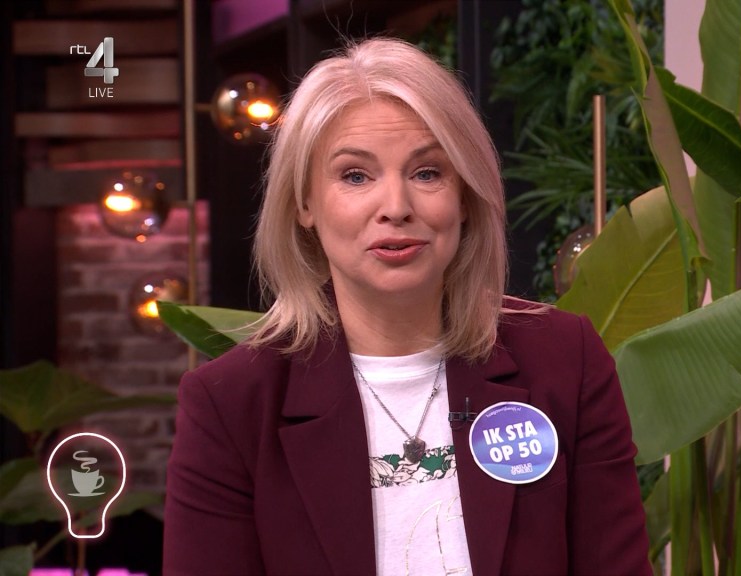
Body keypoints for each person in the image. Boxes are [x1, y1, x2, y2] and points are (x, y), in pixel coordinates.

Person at [163, 37, 651, 576]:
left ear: (464, 196)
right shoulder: (231, 404)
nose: (395, 207)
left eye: (427, 173)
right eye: (355, 175)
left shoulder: (564, 360)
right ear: (304, 203)